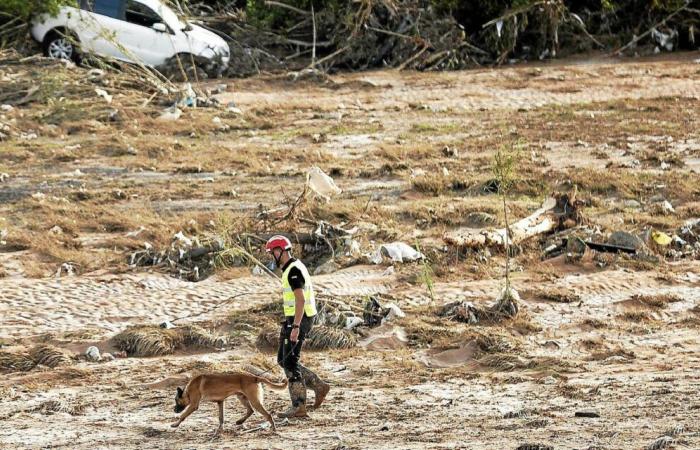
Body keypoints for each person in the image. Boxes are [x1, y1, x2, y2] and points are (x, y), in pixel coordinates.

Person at [265, 235, 330, 418]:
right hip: (295, 318)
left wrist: (295, 327)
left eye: (273, 252)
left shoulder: (293, 270)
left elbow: (300, 299)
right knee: (282, 359)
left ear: (281, 251)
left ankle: (299, 405)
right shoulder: (291, 268)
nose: (272, 256)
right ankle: (319, 386)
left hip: (300, 319)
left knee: (290, 361)